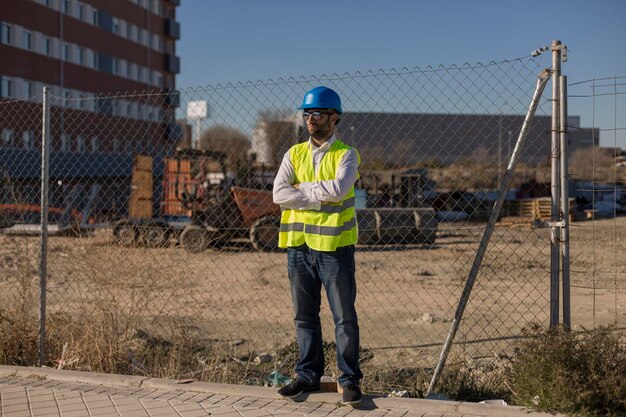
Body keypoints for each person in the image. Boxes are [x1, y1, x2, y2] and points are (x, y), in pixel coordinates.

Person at [272, 86, 363, 405]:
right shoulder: (293, 154)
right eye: (307, 114)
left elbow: (339, 190)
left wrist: (302, 189)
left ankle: (349, 379)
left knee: (344, 318)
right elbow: (279, 194)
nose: (311, 119)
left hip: (335, 249)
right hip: (298, 248)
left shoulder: (347, 154)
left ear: (334, 117)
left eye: (318, 113)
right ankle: (307, 376)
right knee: (304, 317)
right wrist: (316, 193)